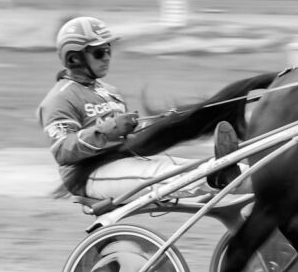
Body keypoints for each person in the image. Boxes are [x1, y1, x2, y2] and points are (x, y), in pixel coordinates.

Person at [36, 16, 242, 202]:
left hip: (123, 161)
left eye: (109, 50)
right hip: (91, 175)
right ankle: (219, 175)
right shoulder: (60, 98)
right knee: (169, 173)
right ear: (74, 59)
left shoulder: (109, 92)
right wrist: (107, 130)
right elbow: (63, 151)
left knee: (191, 166)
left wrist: (152, 125)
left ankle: (239, 172)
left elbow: (124, 138)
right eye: (99, 53)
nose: (107, 57)